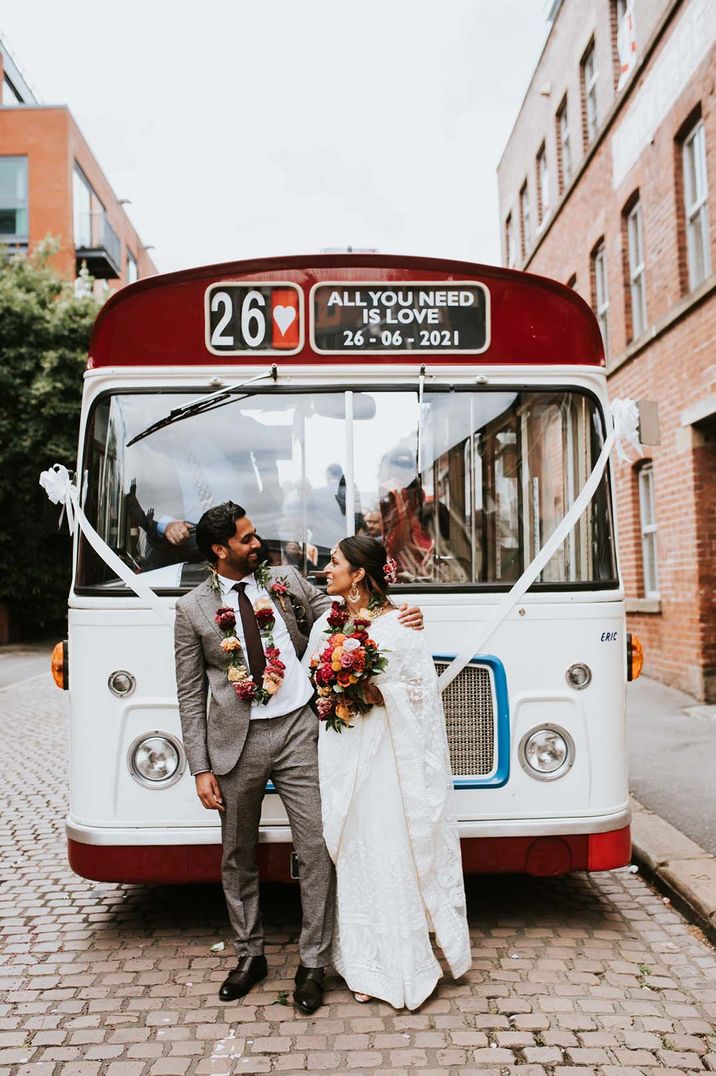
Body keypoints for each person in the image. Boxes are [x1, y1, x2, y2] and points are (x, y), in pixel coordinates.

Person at [173, 502, 423, 1013]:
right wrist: (200, 767)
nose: (256, 543)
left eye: (254, 533)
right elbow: (189, 693)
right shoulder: (192, 610)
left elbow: (348, 611)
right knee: (237, 853)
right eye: (246, 539)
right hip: (234, 744)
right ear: (220, 550)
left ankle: (313, 963)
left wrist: (400, 615)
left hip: (299, 732)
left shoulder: (284, 581)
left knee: (316, 847)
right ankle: (250, 955)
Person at [303, 536, 472, 1009]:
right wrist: (336, 691)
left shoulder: (403, 625)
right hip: (343, 752)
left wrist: (381, 695)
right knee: (355, 853)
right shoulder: (325, 624)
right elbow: (313, 682)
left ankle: (403, 961)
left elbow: (421, 693)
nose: (326, 568)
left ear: (359, 574)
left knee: (389, 849)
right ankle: (361, 962)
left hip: (387, 757)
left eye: (334, 562)